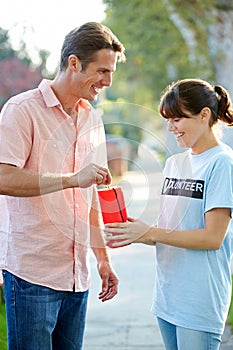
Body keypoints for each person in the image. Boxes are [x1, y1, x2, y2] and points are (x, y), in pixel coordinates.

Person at [0, 22, 125, 350]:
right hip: (32, 275)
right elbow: (3, 177)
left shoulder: (92, 119)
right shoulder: (22, 110)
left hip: (77, 275)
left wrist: (102, 258)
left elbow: (91, 195)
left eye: (111, 73)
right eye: (102, 71)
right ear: (73, 63)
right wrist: (72, 179)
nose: (107, 82)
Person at [104, 78, 233, 350]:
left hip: (200, 301)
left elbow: (212, 238)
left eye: (177, 119)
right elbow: (169, 230)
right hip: (167, 298)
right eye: (168, 120)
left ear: (204, 115)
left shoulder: (222, 163)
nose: (171, 128)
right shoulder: (175, 164)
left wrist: (151, 232)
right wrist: (137, 233)